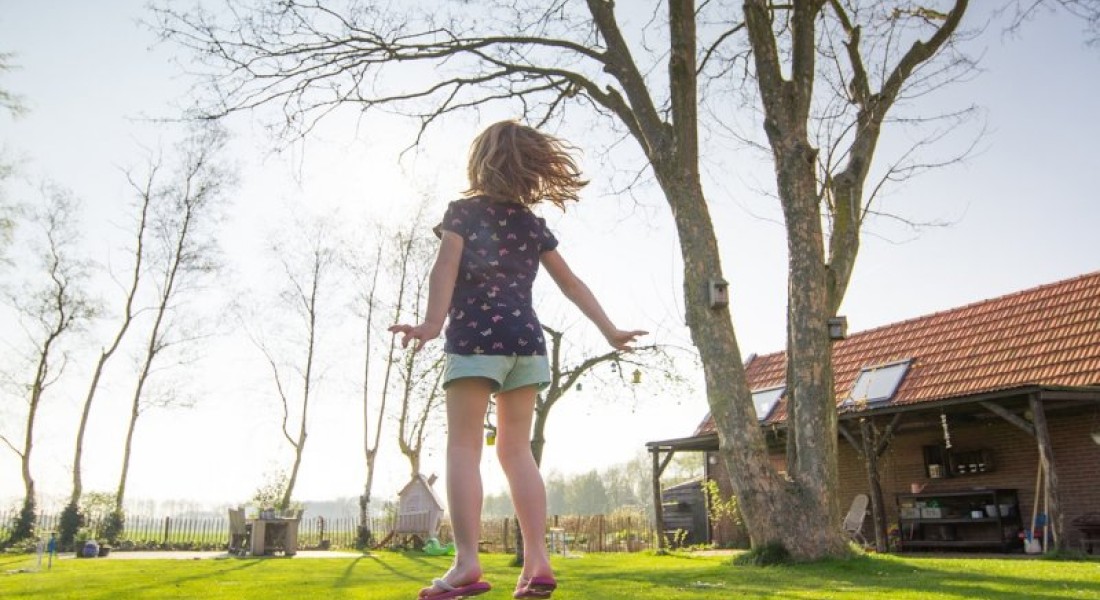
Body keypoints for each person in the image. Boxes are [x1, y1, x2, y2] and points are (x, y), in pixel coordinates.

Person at [389, 120, 646, 600]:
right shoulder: (532, 224)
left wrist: (430, 325)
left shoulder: (462, 213)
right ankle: (538, 562)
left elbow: (444, 267)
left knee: (464, 447)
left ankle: (466, 563)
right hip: (526, 343)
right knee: (516, 451)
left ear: (481, 162)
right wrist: (609, 329)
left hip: (475, 342)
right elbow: (572, 284)